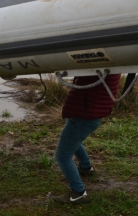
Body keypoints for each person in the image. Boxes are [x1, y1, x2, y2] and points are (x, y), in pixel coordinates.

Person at [51, 73, 121, 205]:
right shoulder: (109, 65)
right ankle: (86, 167)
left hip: (84, 115)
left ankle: (78, 193)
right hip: (84, 112)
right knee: (73, 141)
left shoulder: (98, 65)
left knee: (63, 155)